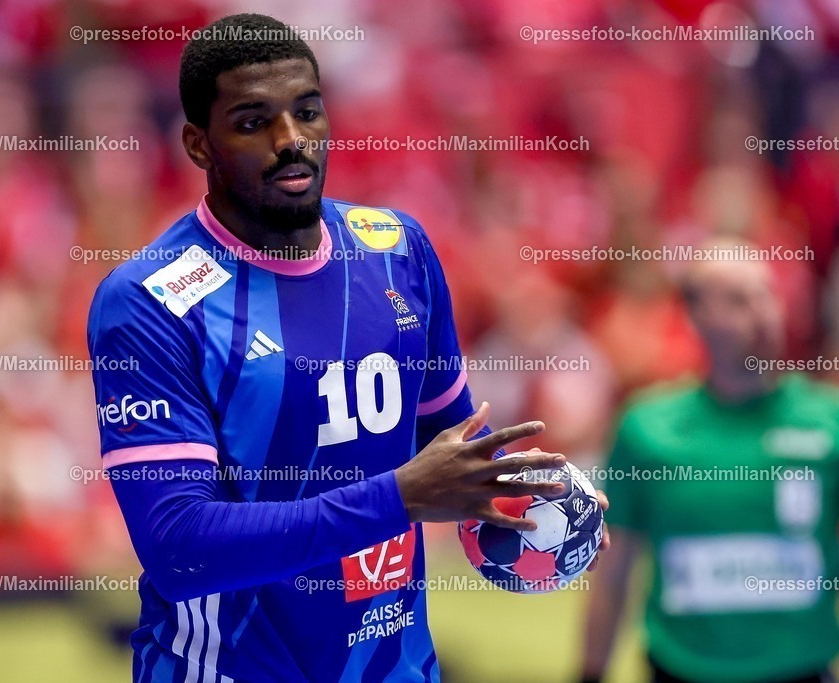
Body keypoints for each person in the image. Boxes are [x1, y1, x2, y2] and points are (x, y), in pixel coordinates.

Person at [88, 13, 607, 682]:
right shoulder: (149, 300)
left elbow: (447, 439)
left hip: (394, 666)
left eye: (307, 112)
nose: (290, 140)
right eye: (253, 122)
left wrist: (540, 495)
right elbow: (179, 548)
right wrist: (399, 499)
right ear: (197, 144)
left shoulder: (398, 250)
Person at [581, 250, 839, 683]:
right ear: (695, 317)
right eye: (739, 300)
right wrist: (589, 673)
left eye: (768, 296)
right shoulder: (647, 430)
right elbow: (614, 573)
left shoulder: (827, 421)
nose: (761, 315)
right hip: (680, 668)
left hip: (802, 669)